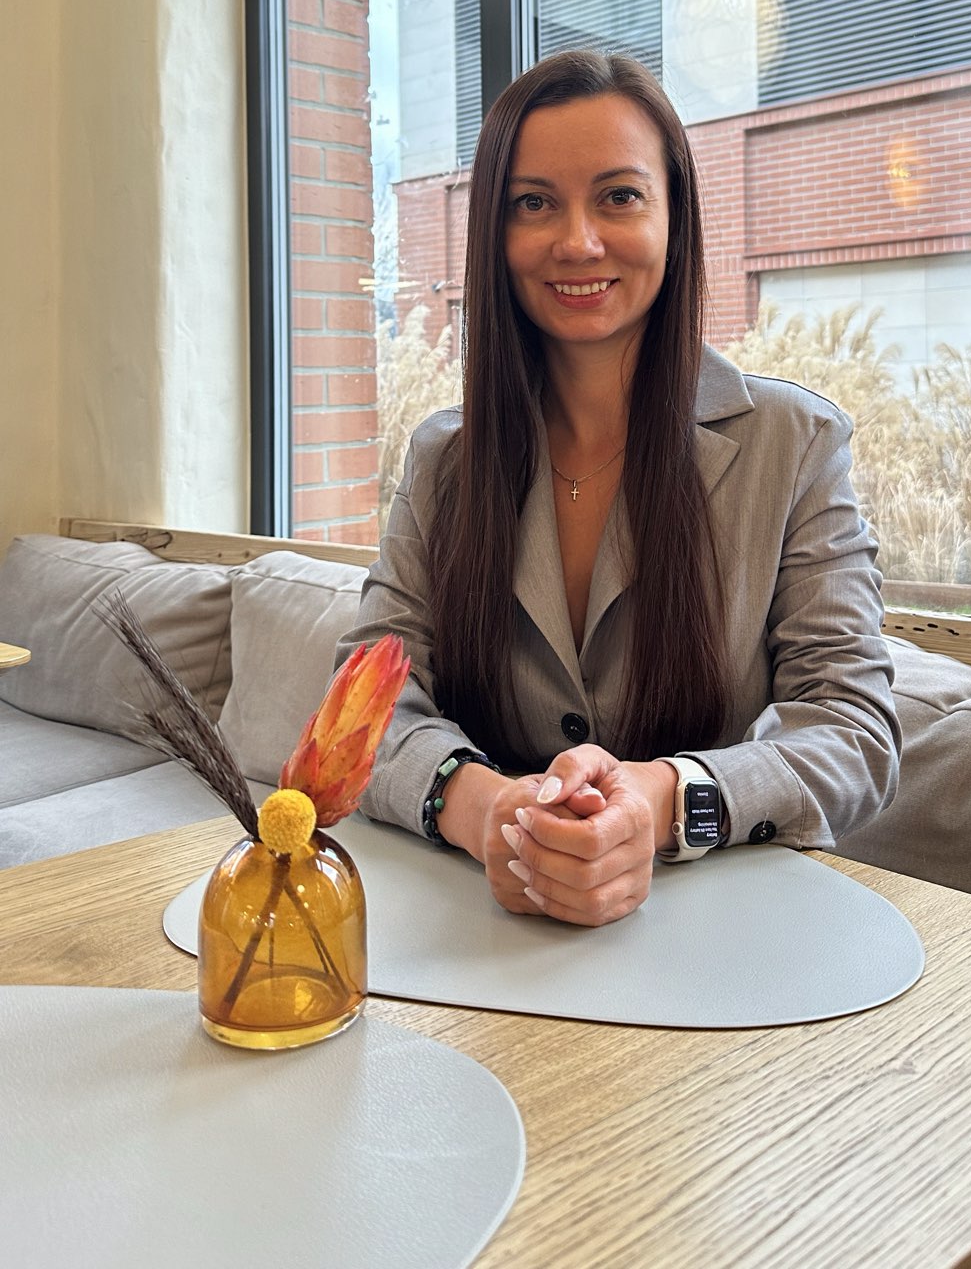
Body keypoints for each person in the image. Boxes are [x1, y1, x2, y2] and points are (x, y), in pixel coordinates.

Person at [338, 49, 899, 927]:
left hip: (717, 933)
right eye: (533, 203)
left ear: (674, 216)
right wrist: (485, 809)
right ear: (493, 233)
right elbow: (361, 704)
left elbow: (853, 732)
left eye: (619, 196)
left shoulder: (794, 444)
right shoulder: (445, 459)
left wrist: (669, 799)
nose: (577, 241)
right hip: (485, 926)